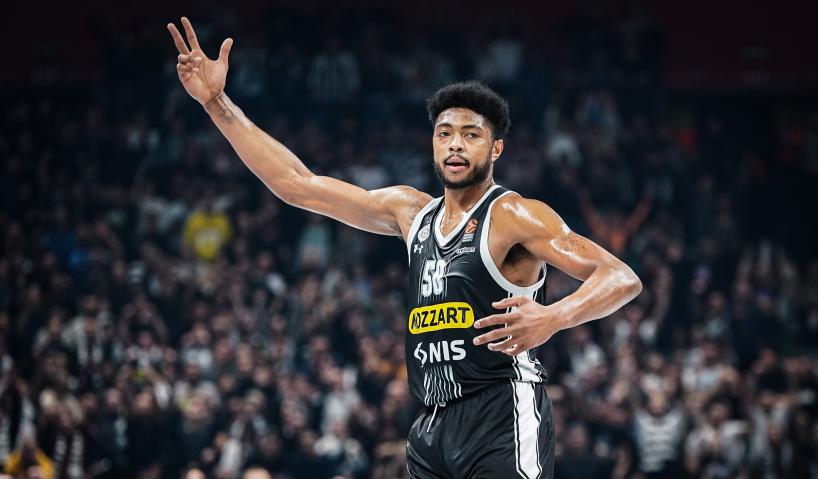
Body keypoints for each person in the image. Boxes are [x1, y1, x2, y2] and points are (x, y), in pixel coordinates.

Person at [167, 17, 642, 479]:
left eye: (471, 135)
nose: (455, 145)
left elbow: (621, 277)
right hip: (431, 424)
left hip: (500, 413)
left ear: (496, 149)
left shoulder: (514, 214)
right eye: (445, 133)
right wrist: (216, 103)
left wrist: (554, 317)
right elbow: (297, 184)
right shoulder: (410, 212)